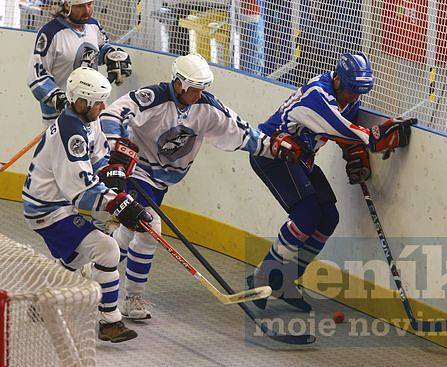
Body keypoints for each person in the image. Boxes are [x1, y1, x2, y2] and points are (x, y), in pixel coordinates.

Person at [99, 53, 278, 320]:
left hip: (161, 182)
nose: (199, 93)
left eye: (202, 88)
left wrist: (274, 147)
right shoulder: (153, 98)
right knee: (149, 227)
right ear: (179, 83)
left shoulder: (207, 107)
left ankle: (99, 269)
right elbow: (112, 114)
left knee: (132, 227)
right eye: (194, 88)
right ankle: (132, 296)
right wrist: (117, 148)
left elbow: (240, 131)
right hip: (136, 172)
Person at [246, 52, 416, 311]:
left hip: (300, 157)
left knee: (328, 218)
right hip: (272, 153)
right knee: (306, 214)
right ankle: (263, 276)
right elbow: (342, 128)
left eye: (359, 93)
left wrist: (354, 155)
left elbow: (345, 133)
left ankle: (285, 282)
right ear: (337, 78)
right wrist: (373, 138)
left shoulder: (349, 96)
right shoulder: (318, 95)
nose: (354, 97)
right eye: (350, 91)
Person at [22, 67, 152, 342]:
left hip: (57, 203)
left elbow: (99, 160)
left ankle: (43, 302)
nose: (103, 107)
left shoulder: (86, 121)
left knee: (78, 255)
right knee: (107, 249)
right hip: (47, 209)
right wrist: (117, 203)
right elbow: (80, 191)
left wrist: (114, 173)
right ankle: (110, 322)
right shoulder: (72, 133)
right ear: (80, 102)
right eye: (98, 103)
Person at [27, 0, 132, 126]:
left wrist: (111, 56)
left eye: (89, 4)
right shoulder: (50, 33)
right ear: (67, 5)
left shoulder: (93, 25)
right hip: (61, 118)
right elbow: (36, 76)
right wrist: (60, 100)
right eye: (81, 6)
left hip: (93, 112)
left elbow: (99, 49)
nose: (87, 10)